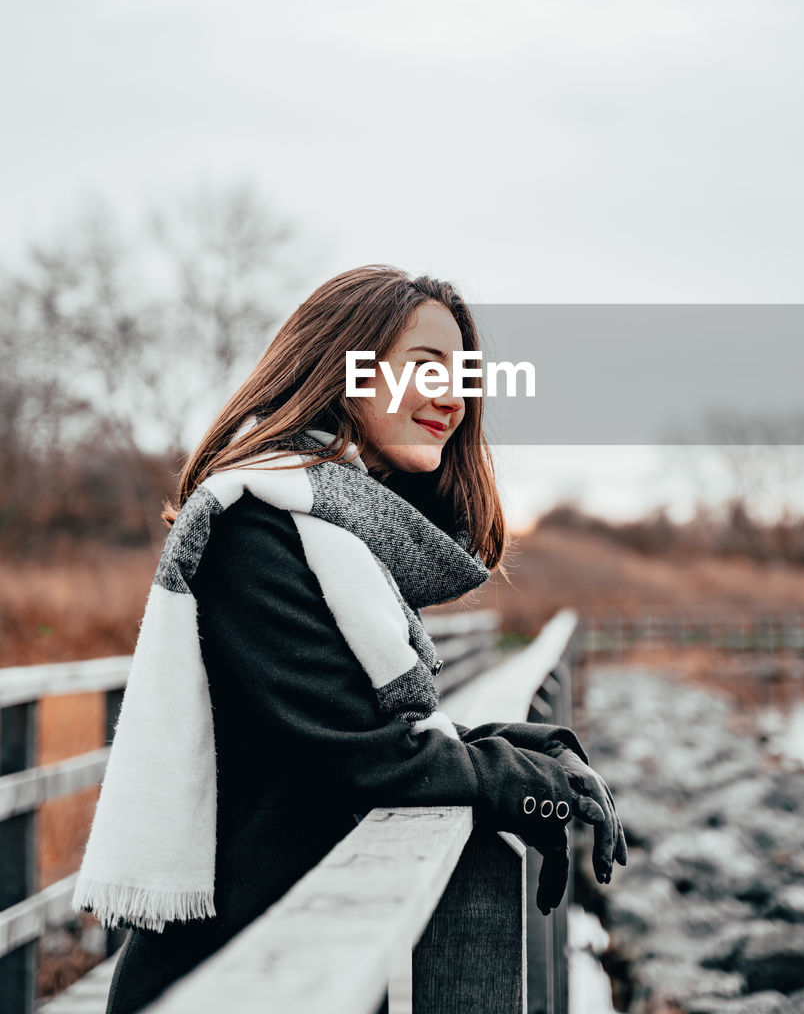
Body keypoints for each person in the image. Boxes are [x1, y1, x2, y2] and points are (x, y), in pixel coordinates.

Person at [88, 264, 626, 1014]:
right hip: (232, 972)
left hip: (305, 954)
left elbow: (345, 724)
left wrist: (529, 746)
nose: (452, 398)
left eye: (464, 375)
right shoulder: (255, 528)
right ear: (341, 370)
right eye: (425, 369)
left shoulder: (332, 537)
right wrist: (526, 786)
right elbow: (359, 755)